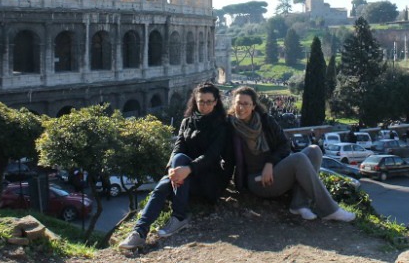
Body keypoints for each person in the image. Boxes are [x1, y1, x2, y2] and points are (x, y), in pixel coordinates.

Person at [119, 82, 232, 249]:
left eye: (209, 101)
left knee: (166, 182)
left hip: (208, 178)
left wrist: (188, 169)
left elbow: (211, 156)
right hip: (184, 176)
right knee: (175, 164)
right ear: (195, 101)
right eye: (201, 101)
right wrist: (172, 170)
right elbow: (178, 147)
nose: (205, 105)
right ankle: (141, 231)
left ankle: (169, 220)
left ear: (216, 102)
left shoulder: (222, 125)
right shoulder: (187, 121)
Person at [228, 86, 355, 222]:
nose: (241, 107)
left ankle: (299, 204)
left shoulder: (265, 121)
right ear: (234, 104)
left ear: (253, 106)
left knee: (314, 151)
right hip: (256, 180)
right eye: (238, 103)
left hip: (274, 170)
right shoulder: (230, 126)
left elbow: (284, 144)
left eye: (245, 104)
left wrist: (270, 163)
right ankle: (330, 210)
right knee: (298, 158)